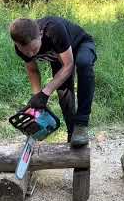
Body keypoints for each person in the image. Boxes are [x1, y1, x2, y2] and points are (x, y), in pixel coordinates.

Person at [9, 17, 97, 147]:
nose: (30, 54)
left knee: (83, 64)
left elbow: (68, 65)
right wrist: (38, 98)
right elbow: (33, 70)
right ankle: (72, 133)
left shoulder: (53, 30)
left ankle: (81, 124)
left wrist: (46, 93)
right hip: (58, 56)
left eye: (34, 49)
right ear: (17, 44)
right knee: (63, 91)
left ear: (40, 34)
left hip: (80, 45)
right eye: (25, 51)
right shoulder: (20, 47)